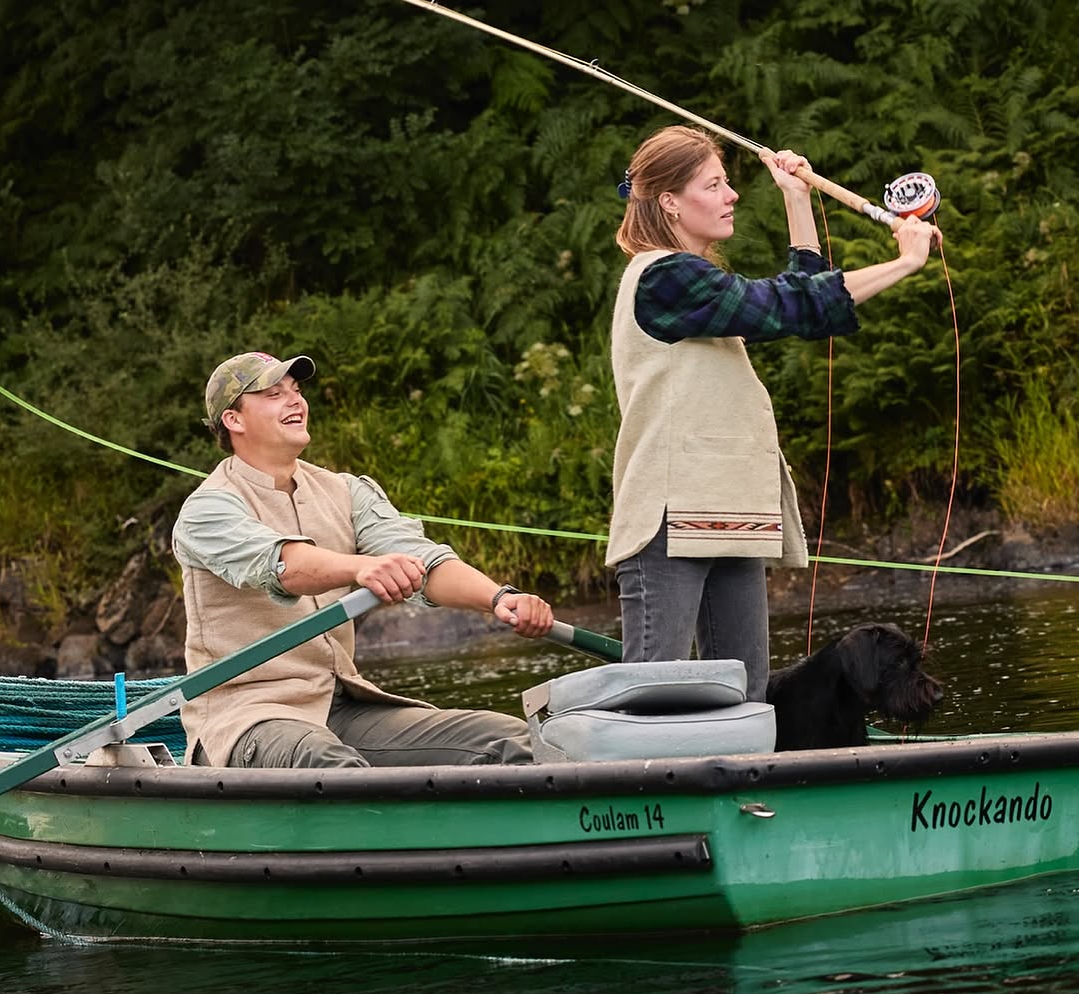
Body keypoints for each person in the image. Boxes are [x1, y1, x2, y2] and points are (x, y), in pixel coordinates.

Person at [608, 124, 940, 701]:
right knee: (654, 695)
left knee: (745, 696)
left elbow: (800, 297)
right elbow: (785, 307)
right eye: (714, 185)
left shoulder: (696, 283)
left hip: (729, 508)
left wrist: (796, 199)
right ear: (670, 202)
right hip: (670, 517)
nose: (732, 195)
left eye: (728, 182)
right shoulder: (664, 277)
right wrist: (903, 264)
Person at [172, 351, 553, 768]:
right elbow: (282, 564)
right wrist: (362, 568)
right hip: (248, 716)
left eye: (297, 391)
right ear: (234, 420)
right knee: (324, 760)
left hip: (344, 708)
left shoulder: (346, 491)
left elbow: (423, 561)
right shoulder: (207, 510)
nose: (296, 401)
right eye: (274, 393)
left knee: (512, 740)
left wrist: (498, 598)